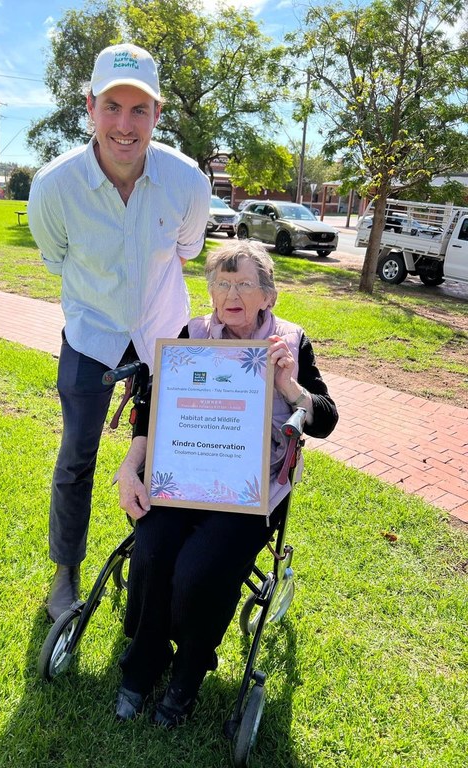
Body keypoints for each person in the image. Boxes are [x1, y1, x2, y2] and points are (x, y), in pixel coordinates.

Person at [114, 239, 339, 726]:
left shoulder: (291, 341)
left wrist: (290, 388)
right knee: (151, 550)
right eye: (221, 283)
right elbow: (151, 406)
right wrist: (131, 466)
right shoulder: (192, 333)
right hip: (184, 475)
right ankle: (143, 663)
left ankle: (187, 674)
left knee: (199, 571)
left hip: (249, 490)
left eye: (244, 284)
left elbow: (325, 418)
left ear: (268, 296)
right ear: (211, 293)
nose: (231, 293)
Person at [28, 43, 211, 621]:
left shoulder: (187, 182)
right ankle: (65, 573)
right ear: (89, 107)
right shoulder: (54, 187)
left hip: (164, 335)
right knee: (76, 458)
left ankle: (161, 566)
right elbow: (57, 259)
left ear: (157, 114)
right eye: (112, 107)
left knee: (172, 454)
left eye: (139, 110)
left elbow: (186, 250)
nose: (125, 126)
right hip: (90, 336)